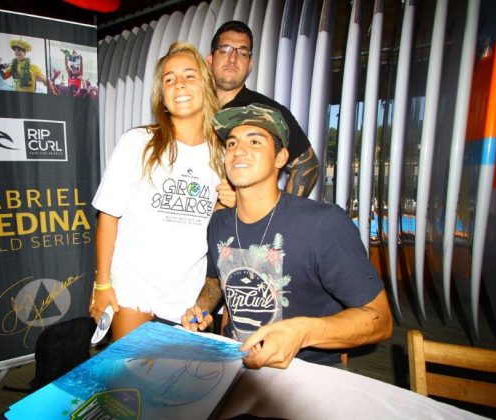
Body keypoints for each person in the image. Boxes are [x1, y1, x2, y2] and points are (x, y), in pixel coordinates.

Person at [181, 104, 392, 369]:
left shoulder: (323, 223)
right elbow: (215, 279)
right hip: (234, 364)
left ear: (280, 158)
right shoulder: (219, 222)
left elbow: (380, 320)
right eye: (232, 143)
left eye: (255, 141)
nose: (238, 151)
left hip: (307, 373)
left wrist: (301, 332)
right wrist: (201, 308)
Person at [89, 42, 235, 341]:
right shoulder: (137, 142)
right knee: (130, 380)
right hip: (133, 287)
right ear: (163, 97)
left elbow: (215, 227)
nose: (178, 83)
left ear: (206, 87)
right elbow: (108, 215)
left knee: (174, 384)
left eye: (189, 75)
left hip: (187, 292)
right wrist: (102, 284)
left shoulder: (223, 154)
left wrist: (228, 203)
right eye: (169, 79)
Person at [208, 21, 319, 197]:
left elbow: (307, 165)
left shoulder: (267, 112)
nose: (232, 59)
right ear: (210, 59)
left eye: (242, 53)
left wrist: (278, 216)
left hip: (236, 220)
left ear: (250, 64)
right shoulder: (191, 106)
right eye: (225, 50)